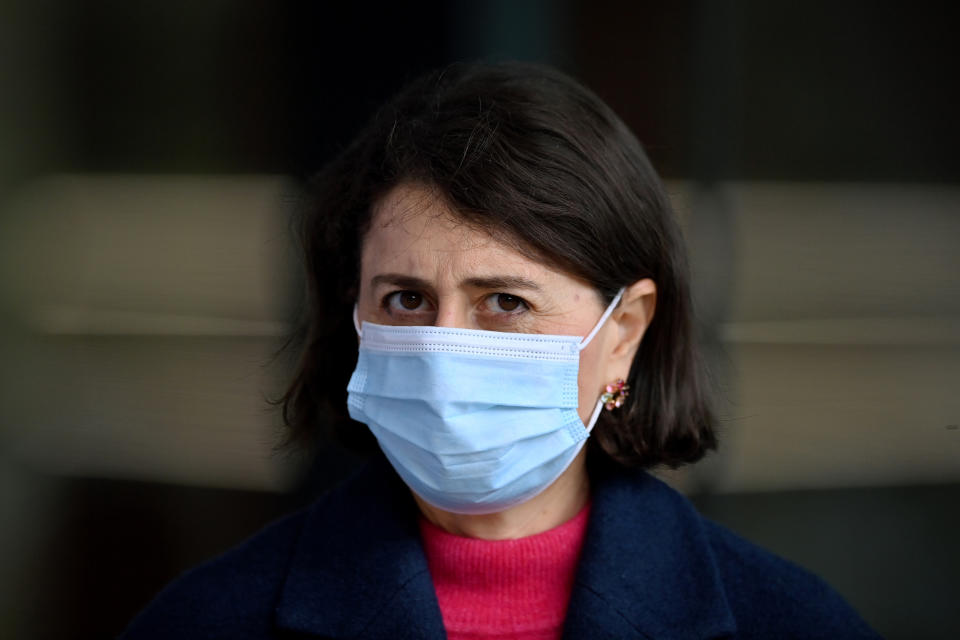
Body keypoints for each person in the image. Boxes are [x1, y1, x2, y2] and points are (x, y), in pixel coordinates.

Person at [121, 62, 879, 639]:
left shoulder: (789, 620)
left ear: (624, 334)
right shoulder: (210, 619)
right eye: (407, 299)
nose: (446, 351)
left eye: (505, 302)